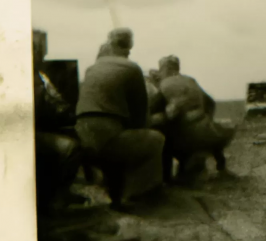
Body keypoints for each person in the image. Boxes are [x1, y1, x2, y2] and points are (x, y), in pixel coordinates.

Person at [75, 28, 165, 210]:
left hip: (81, 135)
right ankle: (136, 194)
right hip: (108, 138)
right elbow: (140, 115)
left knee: (116, 141)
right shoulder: (131, 68)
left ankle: (112, 190)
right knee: (155, 139)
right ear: (129, 48)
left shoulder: (91, 68)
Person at [157, 55, 235, 182]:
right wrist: (205, 117)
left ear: (166, 69)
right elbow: (211, 102)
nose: (160, 73)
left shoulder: (163, 85)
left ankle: (167, 179)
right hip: (209, 132)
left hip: (186, 137)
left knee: (162, 137)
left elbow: (156, 110)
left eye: (161, 69)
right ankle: (221, 168)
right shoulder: (190, 80)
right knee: (209, 127)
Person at [33, 30, 85, 217]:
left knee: (73, 135)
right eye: (40, 50)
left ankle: (55, 192)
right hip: (23, 132)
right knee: (70, 148)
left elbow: (56, 103)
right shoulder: (30, 74)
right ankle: (55, 200)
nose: (43, 55)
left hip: (35, 127)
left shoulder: (40, 75)